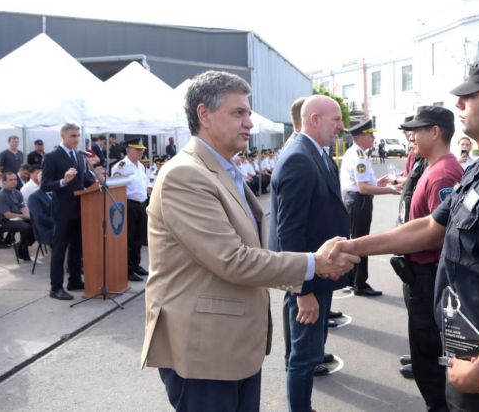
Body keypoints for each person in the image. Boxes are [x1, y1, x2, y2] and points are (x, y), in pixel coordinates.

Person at [331, 57, 479, 411]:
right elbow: (429, 227)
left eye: (469, 96)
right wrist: (353, 246)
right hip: (469, 356)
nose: (458, 104)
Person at [141, 70, 357, 411]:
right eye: (238, 113)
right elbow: (233, 259)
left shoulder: (222, 168)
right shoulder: (185, 175)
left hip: (231, 346)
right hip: (204, 354)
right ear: (204, 114)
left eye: (248, 113)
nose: (249, 124)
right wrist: (315, 263)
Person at [270, 95, 350, 412]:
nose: (342, 127)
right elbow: (289, 233)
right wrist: (303, 291)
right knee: (304, 357)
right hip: (308, 278)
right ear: (314, 120)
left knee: (308, 352)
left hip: (317, 273)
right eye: (336, 120)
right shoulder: (298, 158)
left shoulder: (315, 153)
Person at [396, 105, 463, 412]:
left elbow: (438, 234)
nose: (411, 136)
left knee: (431, 360)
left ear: (435, 132)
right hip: (421, 276)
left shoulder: (444, 172)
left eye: (417, 130)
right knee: (425, 357)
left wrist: (363, 246)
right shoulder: (432, 167)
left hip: (429, 277)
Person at [340, 118, 400, 297]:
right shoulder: (358, 155)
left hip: (355, 199)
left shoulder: (356, 152)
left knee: (354, 239)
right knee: (361, 241)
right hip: (360, 200)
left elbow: (365, 183)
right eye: (370, 135)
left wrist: (378, 183)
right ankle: (360, 283)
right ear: (362, 137)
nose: (374, 138)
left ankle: (351, 278)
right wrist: (390, 190)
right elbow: (363, 188)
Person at [40, 122, 96, 300]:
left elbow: (83, 181)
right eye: (73, 136)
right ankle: (55, 287)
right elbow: (45, 185)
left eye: (78, 136)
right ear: (63, 136)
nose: (76, 139)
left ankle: (74, 280)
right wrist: (63, 181)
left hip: (80, 209)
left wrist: (99, 183)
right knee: (60, 250)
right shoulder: (52, 157)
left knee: (77, 248)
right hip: (62, 211)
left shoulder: (79, 156)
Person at [111, 138, 150, 282]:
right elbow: (115, 187)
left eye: (142, 150)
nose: (141, 152)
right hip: (128, 204)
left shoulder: (140, 166)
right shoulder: (121, 167)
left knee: (139, 237)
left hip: (141, 204)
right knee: (129, 238)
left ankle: (136, 264)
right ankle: (128, 269)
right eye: (138, 150)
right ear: (128, 151)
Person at [0, 172, 34, 261]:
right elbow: (7, 215)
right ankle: (23, 249)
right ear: (4, 182)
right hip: (6, 221)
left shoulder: (17, 193)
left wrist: (29, 216)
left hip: (18, 218)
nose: (13, 182)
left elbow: (22, 207)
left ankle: (21, 245)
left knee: (36, 224)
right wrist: (24, 217)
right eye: (10, 180)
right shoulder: (0, 196)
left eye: (15, 179)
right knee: (26, 227)